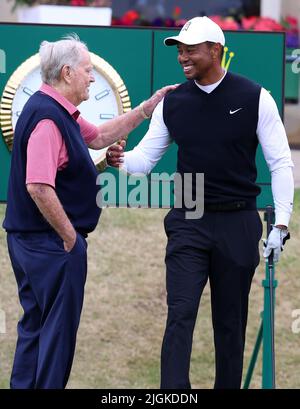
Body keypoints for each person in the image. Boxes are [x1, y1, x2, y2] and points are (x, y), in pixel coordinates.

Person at [106, 16, 294, 389]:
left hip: (238, 222)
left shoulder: (256, 97)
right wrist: (121, 161)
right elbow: (145, 159)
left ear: (215, 51)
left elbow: (281, 163)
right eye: (179, 50)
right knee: (180, 314)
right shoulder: (172, 102)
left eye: (190, 49)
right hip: (188, 220)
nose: (182, 57)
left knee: (229, 324)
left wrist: (282, 223)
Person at [3, 34, 176, 389]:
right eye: (87, 70)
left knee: (36, 329)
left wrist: (147, 107)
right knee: (55, 338)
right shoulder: (48, 118)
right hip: (50, 245)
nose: (92, 77)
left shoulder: (52, 107)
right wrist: (69, 237)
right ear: (67, 73)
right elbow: (38, 186)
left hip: (38, 243)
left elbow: (98, 136)